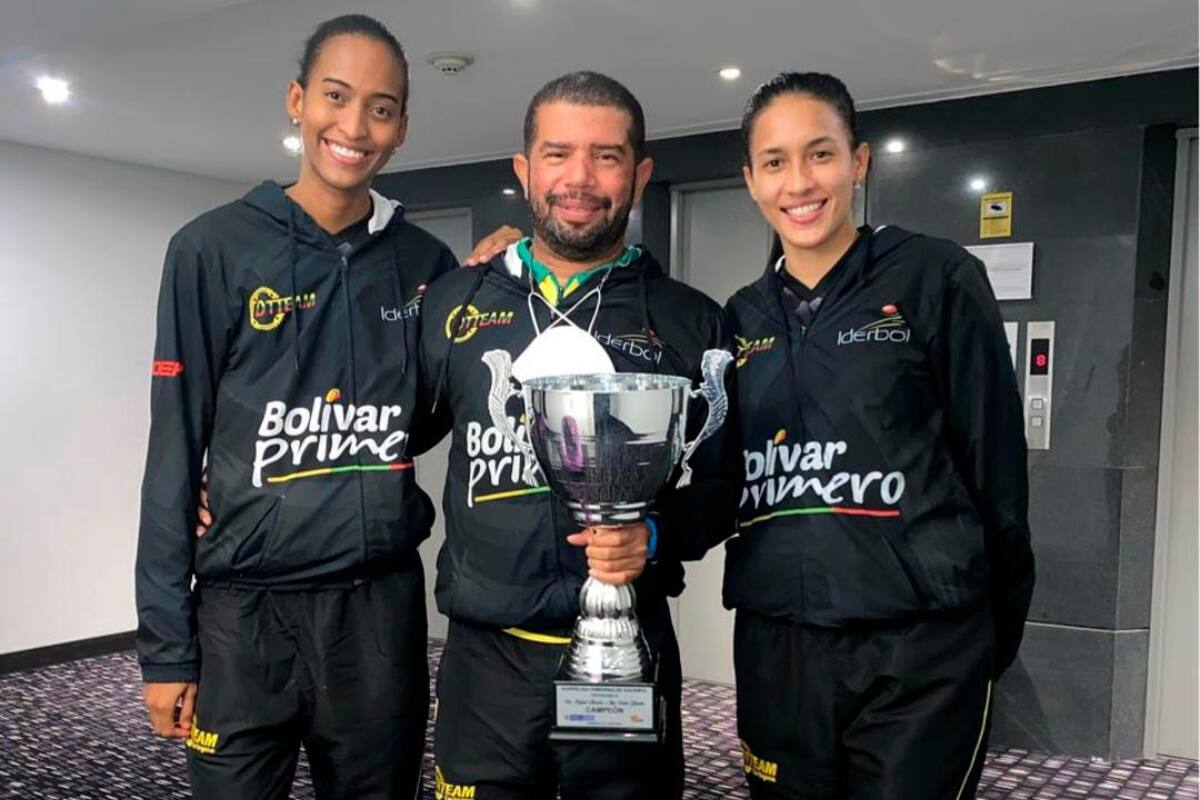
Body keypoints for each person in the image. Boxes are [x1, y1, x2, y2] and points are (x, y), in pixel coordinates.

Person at [135, 15, 457, 799]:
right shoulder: (210, 249)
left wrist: (501, 275)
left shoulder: (426, 263)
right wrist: (166, 649)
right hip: (243, 617)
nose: (354, 126)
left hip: (377, 613)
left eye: (381, 108)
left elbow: (437, 407)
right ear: (296, 100)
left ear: (403, 127)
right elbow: (174, 448)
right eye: (335, 97)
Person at [416, 71, 743, 800]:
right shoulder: (455, 302)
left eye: (607, 156)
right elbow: (386, 431)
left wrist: (654, 537)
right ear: (524, 169)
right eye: (558, 153)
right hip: (485, 661)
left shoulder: (692, 319)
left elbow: (724, 489)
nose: (580, 178)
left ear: (641, 173)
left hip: (627, 650)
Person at [722, 71, 1035, 798]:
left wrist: (997, 627)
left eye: (820, 154)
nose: (799, 182)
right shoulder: (739, 319)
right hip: (779, 645)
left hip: (919, 649)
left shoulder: (935, 276)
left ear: (859, 162)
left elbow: (996, 467)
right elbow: (716, 477)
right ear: (751, 181)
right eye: (775, 162)